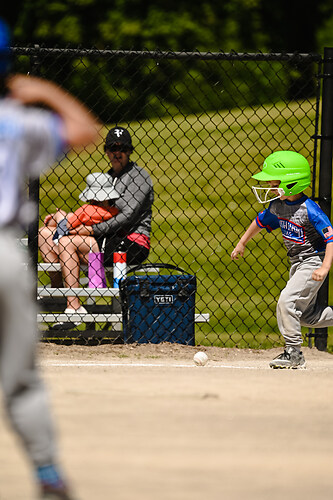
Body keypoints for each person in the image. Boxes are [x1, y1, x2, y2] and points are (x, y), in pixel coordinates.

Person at [0, 18, 100, 499]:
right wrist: (40, 89)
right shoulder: (20, 122)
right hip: (4, 253)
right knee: (20, 379)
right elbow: (85, 131)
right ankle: (47, 475)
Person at [231, 150, 333, 369]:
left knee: (286, 301)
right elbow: (260, 221)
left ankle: (294, 353)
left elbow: (331, 237)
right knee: (307, 317)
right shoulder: (278, 205)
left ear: (291, 183)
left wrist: (325, 266)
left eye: (274, 183)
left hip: (313, 261)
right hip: (296, 264)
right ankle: (294, 349)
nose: (269, 188)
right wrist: (242, 242)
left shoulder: (310, 210)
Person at [39, 126, 154, 313]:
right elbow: (94, 212)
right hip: (105, 237)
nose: (118, 153)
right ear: (107, 151)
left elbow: (126, 217)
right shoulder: (107, 178)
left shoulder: (138, 176)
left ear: (130, 151)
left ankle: (73, 305)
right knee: (45, 235)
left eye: (123, 148)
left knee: (68, 242)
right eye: (113, 148)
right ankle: (58, 293)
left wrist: (89, 230)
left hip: (131, 242)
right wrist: (68, 219)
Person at [43, 172, 119, 244]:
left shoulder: (85, 210)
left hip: (66, 232)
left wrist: (68, 217)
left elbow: (69, 225)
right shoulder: (113, 211)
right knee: (65, 216)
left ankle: (57, 216)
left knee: (61, 215)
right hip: (98, 238)